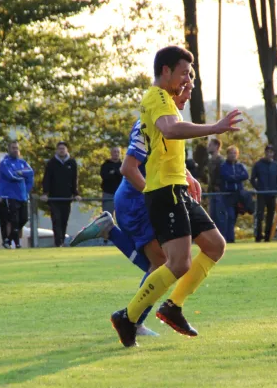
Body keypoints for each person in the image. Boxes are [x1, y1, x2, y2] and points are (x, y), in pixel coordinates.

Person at [109, 45, 242, 348]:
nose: (186, 82)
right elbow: (169, 131)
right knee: (176, 263)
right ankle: (127, 318)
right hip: (161, 193)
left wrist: (187, 175)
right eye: (183, 74)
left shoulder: (168, 101)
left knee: (215, 246)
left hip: (175, 189)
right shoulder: (155, 97)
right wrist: (215, 127)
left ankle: (173, 307)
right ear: (165, 71)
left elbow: (164, 147)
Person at [70, 80, 201, 337]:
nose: (187, 96)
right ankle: (133, 321)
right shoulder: (147, 123)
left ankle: (110, 232)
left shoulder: (170, 120)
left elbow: (163, 158)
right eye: (184, 89)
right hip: (135, 201)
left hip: (142, 200)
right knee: (164, 264)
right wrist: (153, 198)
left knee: (166, 265)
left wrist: (187, 175)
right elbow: (128, 168)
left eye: (191, 90)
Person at [40, 141, 81, 247]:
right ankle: (58, 242)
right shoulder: (51, 163)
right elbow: (47, 178)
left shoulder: (72, 163)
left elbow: (74, 179)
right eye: (59, 149)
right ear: (57, 150)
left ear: (66, 150)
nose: (61, 150)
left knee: (64, 220)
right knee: (56, 219)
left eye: (63, 148)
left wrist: (75, 193)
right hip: (54, 197)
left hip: (66, 197)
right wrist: (45, 193)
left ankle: (62, 241)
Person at [0, 141, 34, 249]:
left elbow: (31, 173)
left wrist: (20, 173)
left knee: (23, 219)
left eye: (17, 148)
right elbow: (11, 176)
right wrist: (22, 175)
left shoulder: (22, 162)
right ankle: (16, 244)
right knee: (14, 220)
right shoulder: (5, 163)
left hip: (22, 196)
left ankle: (8, 240)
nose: (15, 150)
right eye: (13, 148)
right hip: (10, 195)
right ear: (8, 149)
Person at [250, 145, 277, 242]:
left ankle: (268, 236)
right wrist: (258, 188)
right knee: (260, 215)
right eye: (267, 152)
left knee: (270, 216)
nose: (269, 154)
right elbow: (252, 179)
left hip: (272, 194)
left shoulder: (276, 165)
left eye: (271, 152)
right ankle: (258, 236)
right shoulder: (258, 164)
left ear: (273, 153)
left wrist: (276, 189)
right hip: (262, 194)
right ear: (265, 152)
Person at [219, 145, 249, 243]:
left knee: (235, 216)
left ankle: (231, 237)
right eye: (231, 153)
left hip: (238, 195)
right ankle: (229, 239)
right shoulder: (224, 166)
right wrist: (237, 177)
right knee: (230, 216)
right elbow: (226, 177)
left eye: (235, 153)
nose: (233, 155)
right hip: (229, 195)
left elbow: (245, 175)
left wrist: (234, 177)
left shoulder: (240, 166)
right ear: (227, 154)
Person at [206, 138, 226, 232]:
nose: (208, 147)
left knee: (219, 216)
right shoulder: (210, 161)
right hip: (211, 192)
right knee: (212, 216)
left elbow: (221, 176)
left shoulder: (221, 161)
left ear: (216, 146)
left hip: (219, 192)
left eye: (210, 145)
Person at [100, 146, 123, 215]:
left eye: (118, 152)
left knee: (122, 215)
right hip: (108, 193)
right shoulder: (105, 165)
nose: (116, 153)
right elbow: (104, 176)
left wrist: (114, 172)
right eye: (114, 152)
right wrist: (117, 173)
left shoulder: (123, 165)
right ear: (111, 153)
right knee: (107, 216)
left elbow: (125, 177)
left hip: (121, 193)